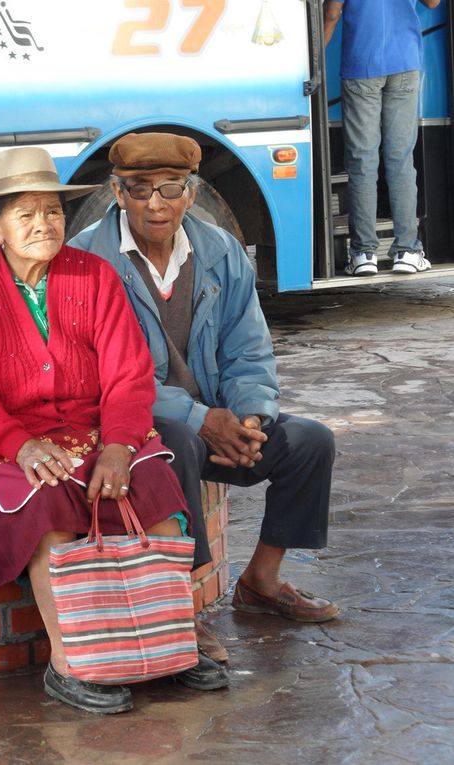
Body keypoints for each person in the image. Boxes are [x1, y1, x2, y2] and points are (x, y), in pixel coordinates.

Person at [0, 145, 229, 715]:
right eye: (25, 214)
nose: (44, 224)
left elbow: (129, 373)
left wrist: (119, 444)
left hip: (93, 432)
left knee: (156, 491)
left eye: (52, 211)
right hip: (1, 445)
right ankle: (71, 665)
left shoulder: (92, 273)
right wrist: (20, 444)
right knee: (46, 507)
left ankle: (173, 643)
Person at [69, 132, 340, 660]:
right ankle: (183, 609)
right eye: (139, 189)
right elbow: (104, 380)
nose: (156, 203)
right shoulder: (86, 262)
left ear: (191, 194)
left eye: (170, 189)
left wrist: (251, 418)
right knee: (177, 446)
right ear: (116, 193)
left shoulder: (221, 250)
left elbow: (248, 348)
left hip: (218, 418)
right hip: (141, 425)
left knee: (310, 442)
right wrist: (199, 419)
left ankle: (261, 580)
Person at [323, 0, 441, 276]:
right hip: (405, 63)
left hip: (361, 64)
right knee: (400, 159)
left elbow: (331, 12)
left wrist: (311, 60)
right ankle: (407, 251)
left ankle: (363, 254)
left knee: (362, 160)